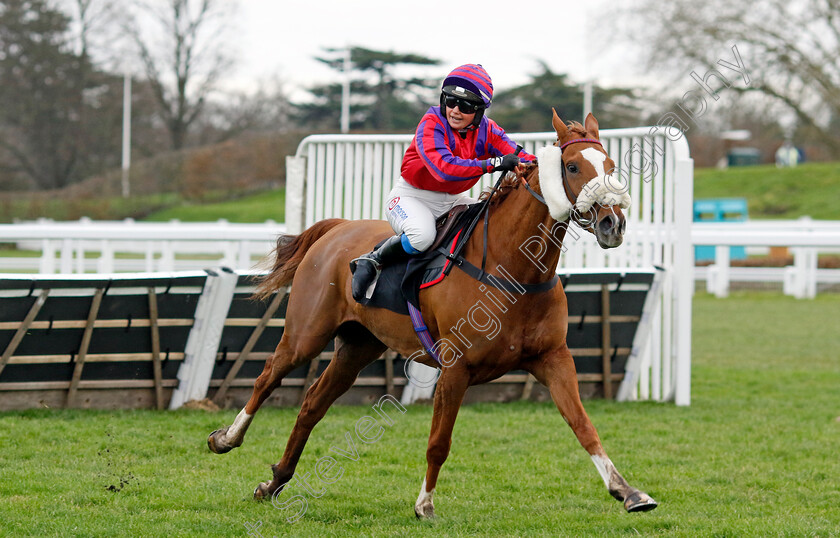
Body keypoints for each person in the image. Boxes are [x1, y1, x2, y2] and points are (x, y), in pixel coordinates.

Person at [351, 63, 537, 301]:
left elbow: (521, 157)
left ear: (480, 111)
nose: (456, 110)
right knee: (422, 236)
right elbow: (444, 169)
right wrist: (494, 163)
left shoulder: (489, 130)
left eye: (467, 105)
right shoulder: (431, 122)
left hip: (453, 200)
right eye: (450, 101)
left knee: (491, 224)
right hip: (412, 196)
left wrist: (549, 164)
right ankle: (374, 259)